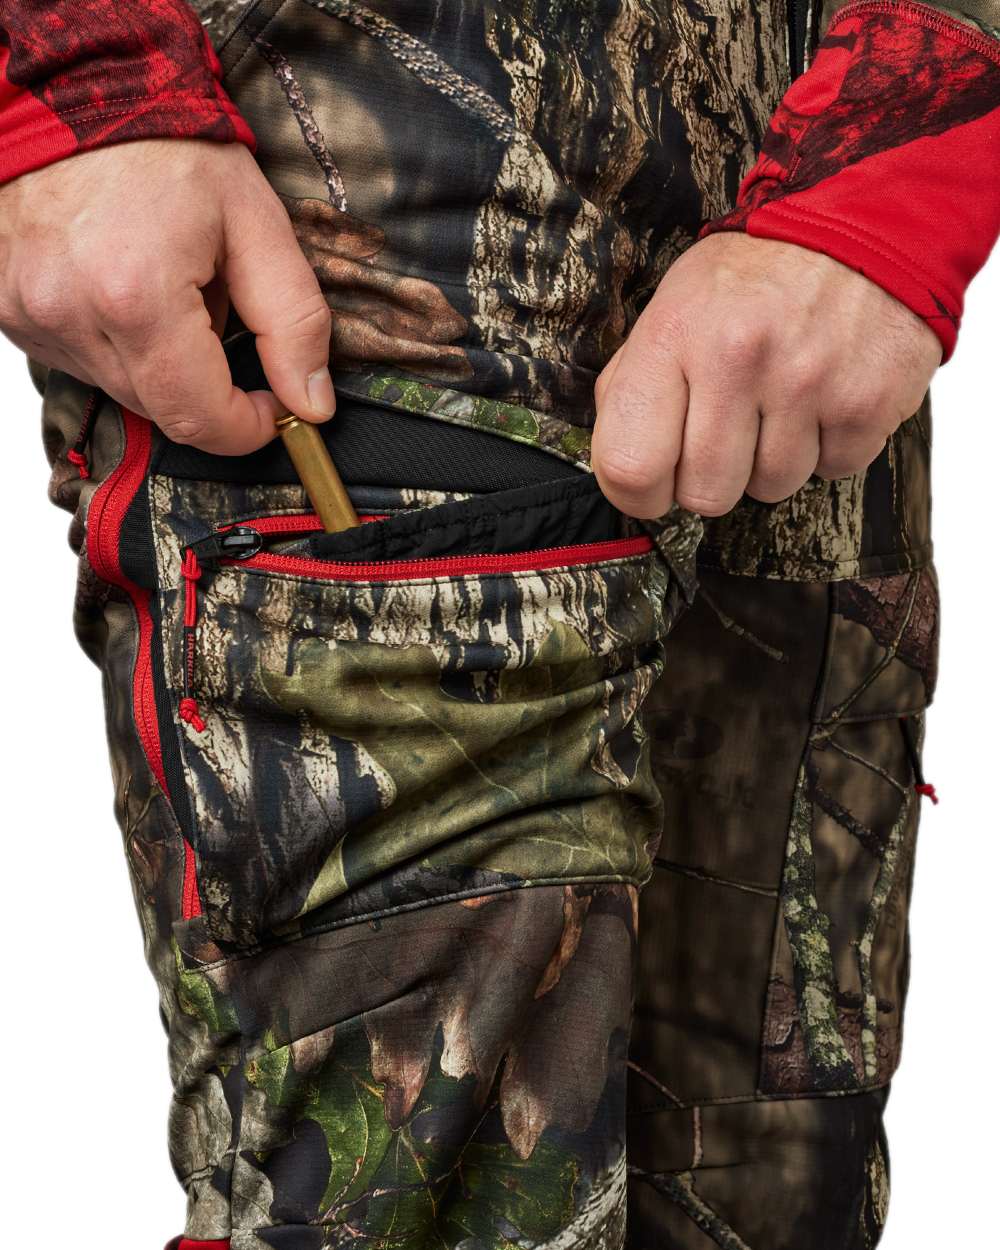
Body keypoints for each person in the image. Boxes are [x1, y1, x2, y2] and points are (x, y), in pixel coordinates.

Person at [0, 2, 996, 1247]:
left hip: (805, 243)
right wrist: (72, 72)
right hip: (359, 228)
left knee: (765, 1194)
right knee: (416, 1201)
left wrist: (893, 156)